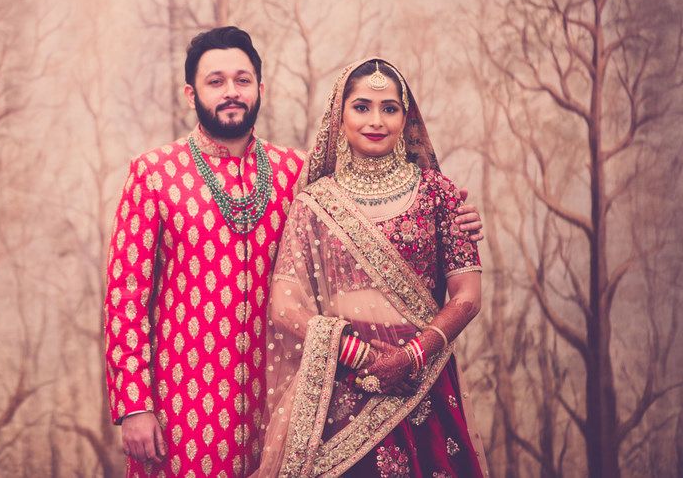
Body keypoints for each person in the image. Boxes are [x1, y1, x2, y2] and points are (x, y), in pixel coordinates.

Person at [104, 33, 485, 478]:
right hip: (186, 400)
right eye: (216, 81)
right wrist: (134, 405)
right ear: (191, 94)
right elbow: (126, 300)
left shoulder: (297, 174)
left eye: (242, 79)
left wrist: (459, 220)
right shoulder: (154, 175)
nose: (231, 91)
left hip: (288, 401)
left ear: (260, 89)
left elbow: (376, 217)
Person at [254, 58, 487, 477]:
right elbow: (283, 305)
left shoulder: (439, 192)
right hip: (344, 384)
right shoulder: (316, 202)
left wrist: (414, 355)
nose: (376, 120)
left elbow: (468, 297)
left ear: (405, 117)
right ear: (338, 117)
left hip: (424, 379)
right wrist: (357, 354)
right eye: (361, 107)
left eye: (389, 108)